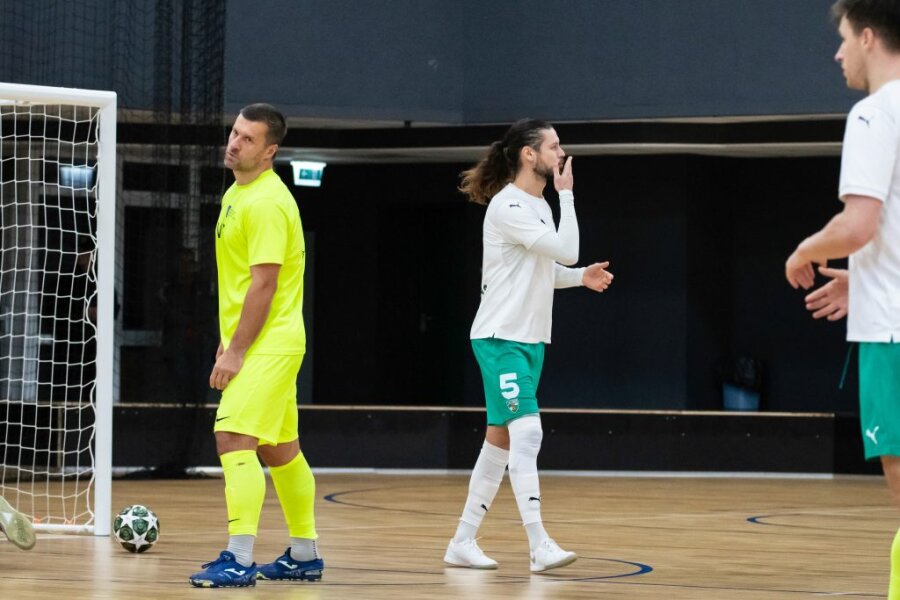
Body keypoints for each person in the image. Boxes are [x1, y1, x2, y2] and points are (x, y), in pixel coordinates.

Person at [446, 118, 614, 573]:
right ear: (529, 154)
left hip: (528, 339)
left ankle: (462, 541)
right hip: (501, 337)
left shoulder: (536, 205)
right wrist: (568, 195)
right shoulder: (509, 206)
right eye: (554, 146)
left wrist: (580, 278)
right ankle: (539, 545)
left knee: (499, 442)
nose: (561, 153)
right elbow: (567, 249)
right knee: (528, 433)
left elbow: (548, 268)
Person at [786, 1, 900, 596]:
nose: (838, 53)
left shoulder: (874, 113)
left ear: (870, 37)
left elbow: (857, 225)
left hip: (893, 337)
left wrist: (804, 250)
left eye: (844, 38)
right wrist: (868, 277)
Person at [189, 103, 322, 588]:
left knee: (233, 437)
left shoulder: (266, 202)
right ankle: (304, 555)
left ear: (270, 151)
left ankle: (239, 559)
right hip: (264, 342)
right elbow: (243, 285)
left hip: (269, 344)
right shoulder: (236, 193)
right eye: (234, 132)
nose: (234, 143)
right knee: (280, 449)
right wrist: (229, 341)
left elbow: (265, 284)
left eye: (248, 139)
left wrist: (238, 350)